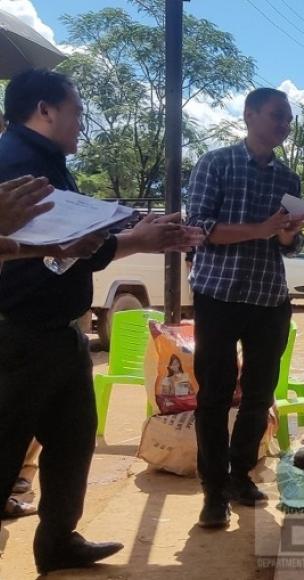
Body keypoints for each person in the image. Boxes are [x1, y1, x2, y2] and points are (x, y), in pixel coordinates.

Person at [0, 68, 192, 573]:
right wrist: (133, 239)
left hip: (61, 332)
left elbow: (67, 248)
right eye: (77, 110)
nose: (82, 122)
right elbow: (45, 249)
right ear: (44, 109)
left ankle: (59, 541)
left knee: (73, 441)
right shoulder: (16, 164)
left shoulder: (48, 164)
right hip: (18, 334)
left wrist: (131, 236)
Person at [186, 87, 304, 529]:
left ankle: (241, 476)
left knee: (259, 396)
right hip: (218, 296)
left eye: (288, 119)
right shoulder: (215, 163)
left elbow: (290, 246)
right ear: (250, 115)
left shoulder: (288, 179)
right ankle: (213, 492)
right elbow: (198, 228)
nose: (284, 125)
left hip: (269, 300)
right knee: (214, 398)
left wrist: (286, 236)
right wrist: (260, 229)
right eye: (277, 115)